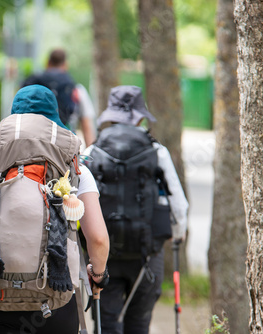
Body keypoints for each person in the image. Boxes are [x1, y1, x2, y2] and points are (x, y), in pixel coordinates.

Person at [0, 85, 110, 334]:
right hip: (56, 302)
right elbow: (97, 239)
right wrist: (97, 274)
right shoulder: (76, 169)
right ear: (54, 124)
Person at [84, 86, 189, 334]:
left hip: (103, 257)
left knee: (107, 323)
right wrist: (178, 234)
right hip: (147, 255)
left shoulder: (91, 152)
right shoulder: (156, 151)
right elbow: (179, 204)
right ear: (140, 116)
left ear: (110, 116)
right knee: (139, 324)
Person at [23, 48, 96, 146]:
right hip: (65, 146)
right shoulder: (76, 89)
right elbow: (86, 125)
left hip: (33, 145)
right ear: (66, 65)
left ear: (47, 63)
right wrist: (89, 154)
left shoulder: (32, 86)